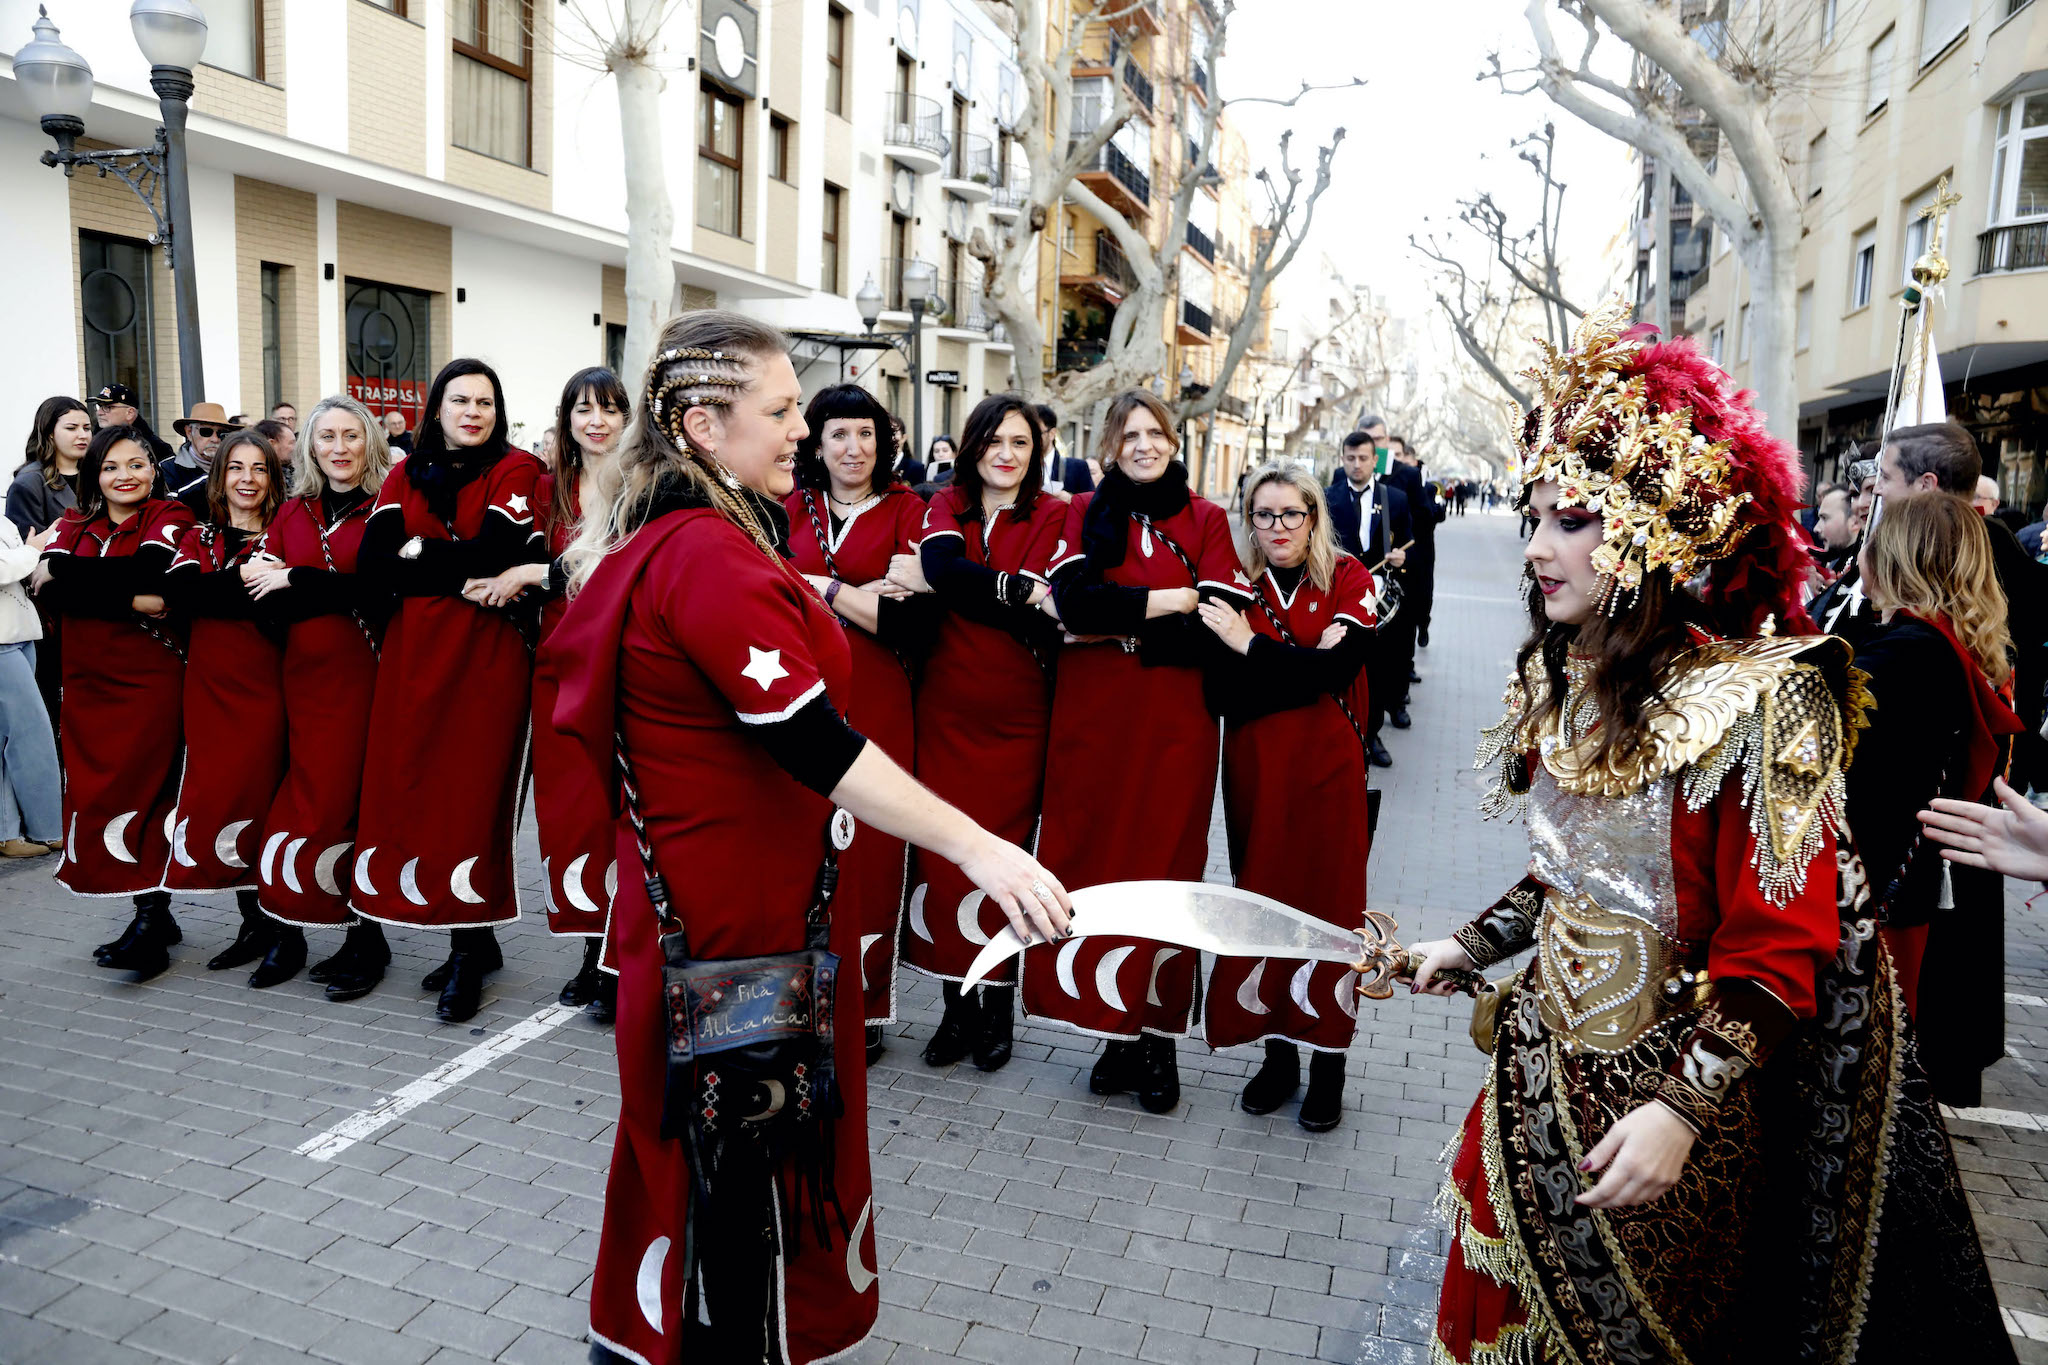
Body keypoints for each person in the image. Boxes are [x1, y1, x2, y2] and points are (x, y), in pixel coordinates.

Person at [1405, 304, 2012, 1364]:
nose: (1539, 546)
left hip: (1664, 1124)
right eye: (1533, 518)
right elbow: (1572, 879)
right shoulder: (1568, 680)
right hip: (1530, 1082)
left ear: (1649, 533)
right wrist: (1464, 946)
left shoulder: (1750, 706)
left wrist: (1681, 1114)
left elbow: (1780, 948)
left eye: (1572, 521)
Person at [543, 311, 1071, 1364]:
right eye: (779, 410)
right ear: (700, 423)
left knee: (720, 1173)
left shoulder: (708, 533)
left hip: (726, 922)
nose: (800, 429)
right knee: (740, 1189)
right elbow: (814, 740)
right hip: (734, 938)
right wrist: (978, 845)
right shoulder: (703, 553)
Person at [1029, 388, 1251, 1112]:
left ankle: (1156, 1041)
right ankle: (1112, 1031)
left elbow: (1221, 618)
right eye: (1130, 436)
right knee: (1096, 866)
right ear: (1110, 447)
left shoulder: (1208, 518)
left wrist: (1117, 625)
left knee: (1166, 871)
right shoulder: (1079, 513)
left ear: (1174, 441)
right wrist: (1169, 602)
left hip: (1174, 721)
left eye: (1156, 433)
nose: (1145, 445)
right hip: (1093, 721)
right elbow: (1072, 604)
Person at [354, 358, 546, 1023]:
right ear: (435, 408)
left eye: (485, 402)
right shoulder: (406, 472)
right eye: (459, 400)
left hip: (486, 659)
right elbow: (372, 561)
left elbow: (495, 553)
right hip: (413, 657)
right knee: (426, 793)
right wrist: (432, 558)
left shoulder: (516, 469)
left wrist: (415, 552)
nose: (472, 411)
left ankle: (467, 948)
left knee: (472, 798)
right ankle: (478, 938)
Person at [1198, 462, 1376, 1131]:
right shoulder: (1235, 584)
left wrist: (1252, 648)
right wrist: (1297, 666)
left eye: (1290, 514)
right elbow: (1223, 692)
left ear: (1313, 517)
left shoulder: (1350, 578)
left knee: (1331, 911)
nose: (1277, 527)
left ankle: (1327, 1065)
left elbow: (1342, 667)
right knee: (1265, 904)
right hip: (1256, 770)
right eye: (1263, 515)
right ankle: (1278, 1061)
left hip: (1329, 772)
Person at [896, 394, 1067, 1072]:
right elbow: (943, 571)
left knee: (1007, 864)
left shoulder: (1059, 514)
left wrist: (977, 589)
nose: (1006, 453)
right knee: (942, 863)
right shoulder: (946, 504)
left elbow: (1050, 608)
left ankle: (998, 1008)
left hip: (1022, 715)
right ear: (972, 447)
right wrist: (1021, 592)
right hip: (944, 710)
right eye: (994, 439)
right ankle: (954, 1010)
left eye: (1020, 442)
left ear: (1035, 451)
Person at [464, 367, 630, 1023]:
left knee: (627, 813)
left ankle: (625, 956)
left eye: (609, 409)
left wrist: (537, 571)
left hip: (629, 665)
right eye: (583, 409)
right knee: (573, 814)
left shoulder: (649, 485)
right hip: (559, 664)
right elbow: (493, 550)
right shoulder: (543, 488)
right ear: (566, 420)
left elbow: (621, 566)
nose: (596, 421)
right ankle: (592, 951)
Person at [1849, 492, 2023, 1107]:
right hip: (1904, 883)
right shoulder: (1937, 643)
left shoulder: (1907, 652)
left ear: (1899, 557)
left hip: (1870, 892)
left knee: (1860, 1073)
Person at [785, 383, 935, 1059]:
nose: (854, 447)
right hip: (798, 696)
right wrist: (857, 595)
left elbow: (912, 623)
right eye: (839, 434)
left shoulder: (912, 511)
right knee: (796, 846)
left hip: (880, 696)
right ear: (817, 441)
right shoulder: (790, 505)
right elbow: (759, 585)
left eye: (867, 433)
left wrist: (821, 587)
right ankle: (797, 1004)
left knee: (872, 848)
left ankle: (865, 1008)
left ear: (885, 441)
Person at [29, 425, 196, 978]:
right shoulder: (76, 524)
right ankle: (152, 910)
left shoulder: (170, 517)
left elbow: (152, 574)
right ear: (94, 475)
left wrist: (65, 571)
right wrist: (130, 598)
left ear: (153, 467)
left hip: (148, 684)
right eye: (110, 467)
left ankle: (151, 921)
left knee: (148, 793)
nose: (125, 476)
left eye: (136, 464)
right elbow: (44, 587)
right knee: (100, 797)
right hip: (85, 686)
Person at [244, 395, 394, 1002]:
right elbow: (260, 588)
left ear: (370, 444)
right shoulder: (294, 512)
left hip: (368, 682)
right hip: (298, 681)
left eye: (350, 436)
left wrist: (300, 581)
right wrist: (313, 590)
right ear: (308, 447)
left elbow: (383, 591)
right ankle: (292, 929)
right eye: (326, 436)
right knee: (298, 802)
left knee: (354, 805)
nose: (338, 447)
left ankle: (367, 938)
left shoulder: (388, 509)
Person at [160, 429, 296, 986]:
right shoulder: (198, 537)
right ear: (219, 477)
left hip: (267, 689)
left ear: (273, 480)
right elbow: (180, 596)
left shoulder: (287, 536)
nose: (246, 478)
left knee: (268, 802)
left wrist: (218, 589)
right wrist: (238, 580)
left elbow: (282, 601)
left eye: (259, 469)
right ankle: (253, 924)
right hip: (210, 690)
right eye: (235, 467)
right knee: (223, 802)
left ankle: (285, 930)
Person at [1326, 429, 1409, 766]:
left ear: (1375, 461)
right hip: (1336, 594)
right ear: (1342, 458)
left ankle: (1371, 735)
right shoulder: (1326, 497)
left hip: (1378, 597)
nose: (1356, 465)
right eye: (1350, 458)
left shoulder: (1395, 500)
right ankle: (1339, 733)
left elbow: (1409, 544)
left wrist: (1403, 559)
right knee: (1339, 665)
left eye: (1363, 458)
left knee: (1376, 670)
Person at [0, 508, 60, 858]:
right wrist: (33, 549)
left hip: (18, 631)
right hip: (4, 639)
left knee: (13, 739)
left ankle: (8, 833)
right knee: (31, 736)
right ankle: (48, 827)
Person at [10, 397, 92, 535]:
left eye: (87, 428)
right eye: (71, 428)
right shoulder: (29, 482)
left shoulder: (97, 472)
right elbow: (27, 546)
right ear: (50, 432)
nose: (83, 435)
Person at [162, 402, 241, 517]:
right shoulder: (167, 469)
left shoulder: (239, 469)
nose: (215, 439)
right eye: (206, 431)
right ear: (189, 432)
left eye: (221, 433)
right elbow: (169, 512)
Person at [89, 383, 174, 463]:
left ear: (130, 413)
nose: (99, 412)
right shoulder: (91, 443)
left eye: (108, 407)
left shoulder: (158, 449)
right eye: (99, 406)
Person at [1034, 402, 1096, 495]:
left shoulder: (1077, 468)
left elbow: (1091, 505)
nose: (1031, 438)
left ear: (1052, 434)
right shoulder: (1021, 466)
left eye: (1036, 433)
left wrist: (1071, 499)